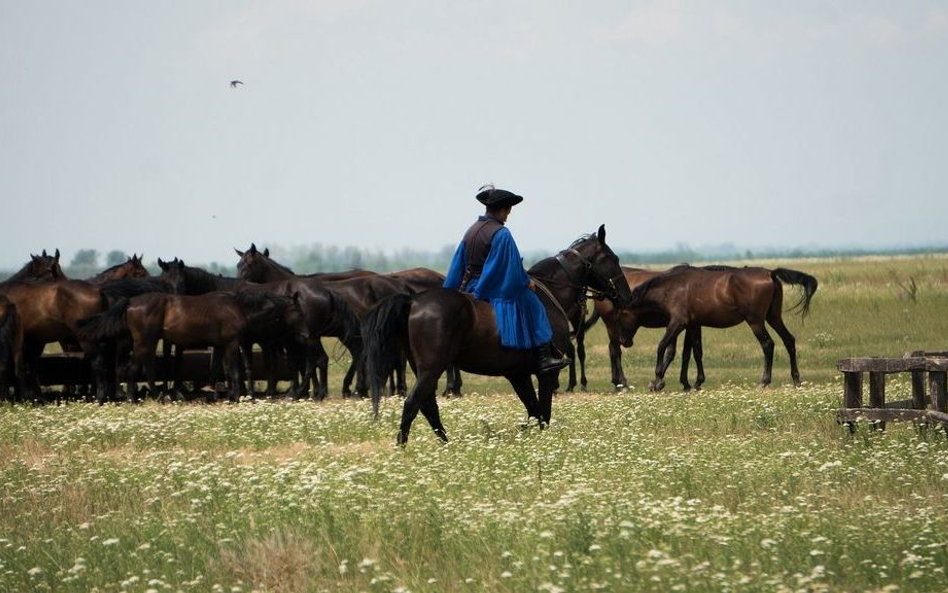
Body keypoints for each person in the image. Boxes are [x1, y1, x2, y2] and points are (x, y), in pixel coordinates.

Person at [443, 184, 571, 374]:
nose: (508, 215)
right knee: (534, 304)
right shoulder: (502, 234)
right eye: (508, 211)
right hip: (489, 285)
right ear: (502, 209)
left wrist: (450, 289)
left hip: (469, 284)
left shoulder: (471, 230)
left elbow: (457, 265)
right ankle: (545, 357)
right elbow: (506, 268)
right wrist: (526, 282)